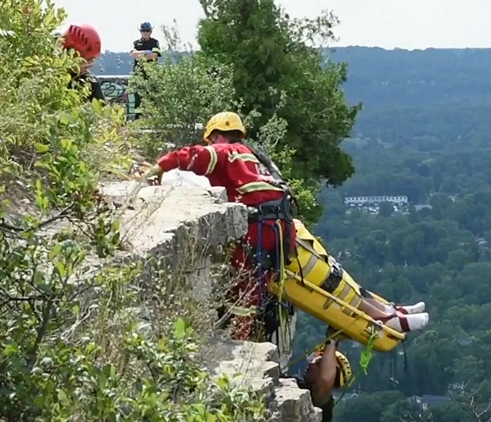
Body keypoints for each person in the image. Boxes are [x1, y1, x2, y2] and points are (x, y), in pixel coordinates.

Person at [144, 111, 296, 342]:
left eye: (211, 140)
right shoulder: (259, 157)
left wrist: (160, 166)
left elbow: (195, 156)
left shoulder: (226, 150)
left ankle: (239, 340)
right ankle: (250, 334)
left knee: (245, 288)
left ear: (216, 136)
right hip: (282, 227)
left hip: (259, 226)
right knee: (257, 285)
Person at [282, 334, 352, 422]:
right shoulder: (297, 382)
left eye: (318, 364)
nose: (311, 364)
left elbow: (325, 380)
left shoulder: (323, 404)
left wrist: (332, 341)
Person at [61, 23, 105, 103]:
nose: (88, 66)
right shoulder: (53, 79)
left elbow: (102, 112)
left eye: (91, 60)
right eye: (86, 60)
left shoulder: (91, 82)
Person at [129, 22, 162, 119]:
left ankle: (152, 118)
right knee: (138, 98)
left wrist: (140, 55)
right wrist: (146, 52)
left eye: (147, 31)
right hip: (138, 74)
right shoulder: (136, 43)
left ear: (151, 31)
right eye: (143, 31)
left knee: (152, 97)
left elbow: (155, 55)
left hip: (151, 74)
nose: (145, 33)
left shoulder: (154, 42)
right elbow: (132, 54)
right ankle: (138, 118)